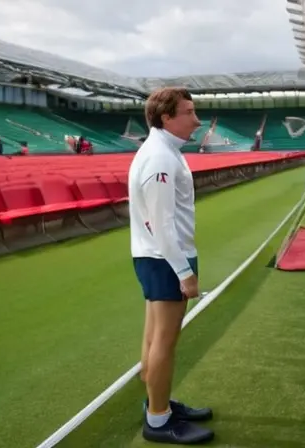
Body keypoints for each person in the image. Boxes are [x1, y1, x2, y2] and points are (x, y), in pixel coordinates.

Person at [127, 87, 213, 445]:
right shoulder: (160, 158)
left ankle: (157, 404)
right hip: (164, 258)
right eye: (189, 112)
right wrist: (185, 273)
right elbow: (161, 224)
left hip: (158, 256)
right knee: (165, 341)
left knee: (153, 338)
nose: (196, 120)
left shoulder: (164, 152)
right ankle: (159, 420)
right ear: (167, 117)